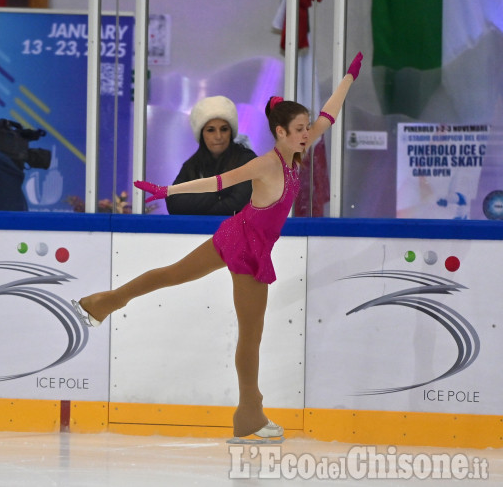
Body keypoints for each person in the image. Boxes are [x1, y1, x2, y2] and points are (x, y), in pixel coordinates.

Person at [72, 52, 363, 440]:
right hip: (246, 248)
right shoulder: (267, 164)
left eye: (307, 127)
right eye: (299, 128)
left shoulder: (298, 154)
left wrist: (347, 78)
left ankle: (105, 301)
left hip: (238, 233)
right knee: (250, 333)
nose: (308, 132)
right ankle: (249, 414)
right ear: (280, 133)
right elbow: (218, 182)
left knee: (175, 276)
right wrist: (167, 190)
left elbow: (329, 115)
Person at [165, 96, 257, 216]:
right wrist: (217, 195)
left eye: (224, 129)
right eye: (211, 130)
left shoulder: (247, 162)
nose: (218, 136)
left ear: (231, 132)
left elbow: (237, 206)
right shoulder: (192, 165)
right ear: (201, 134)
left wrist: (196, 202)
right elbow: (173, 202)